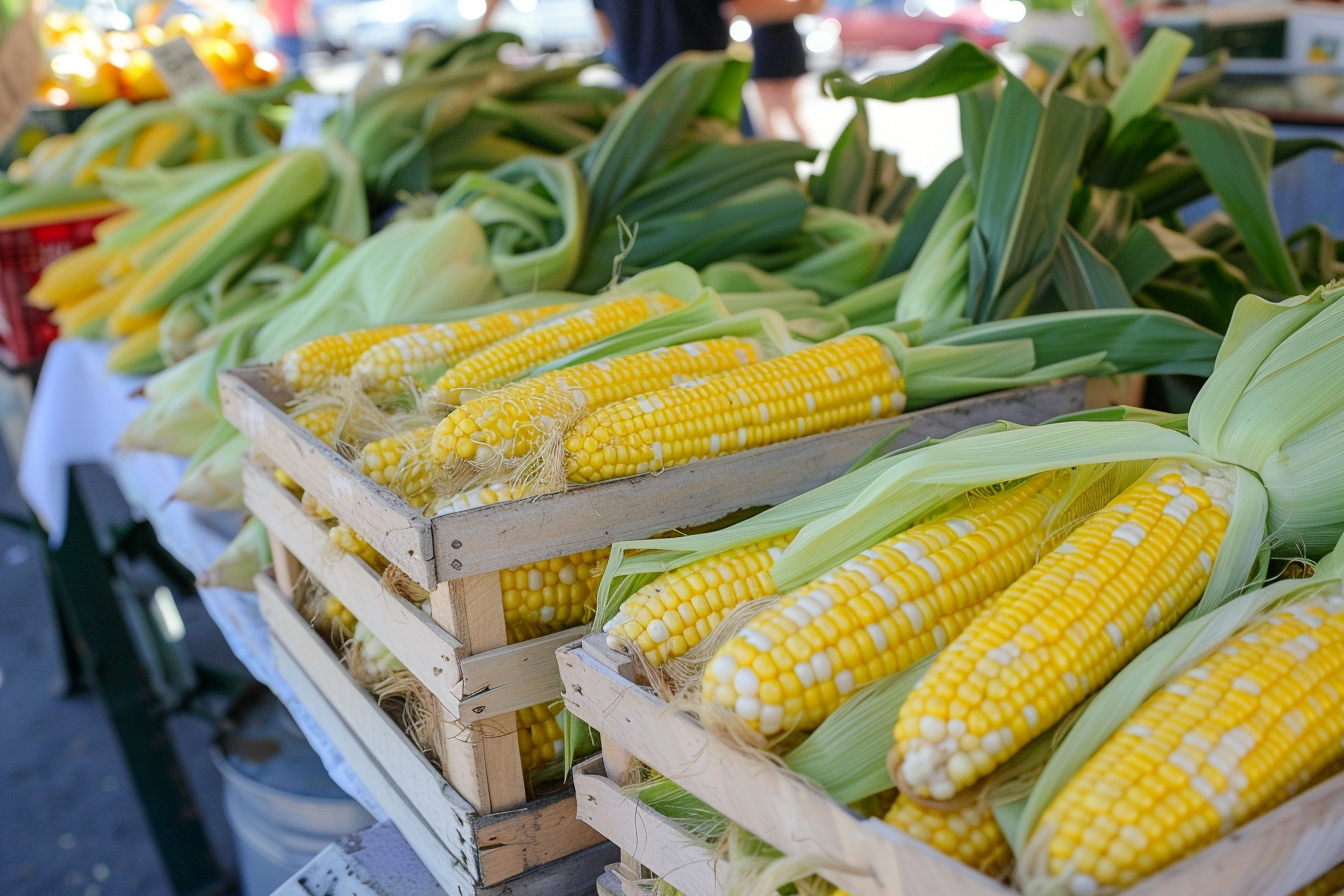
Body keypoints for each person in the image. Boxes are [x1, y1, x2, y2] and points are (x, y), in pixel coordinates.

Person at [590, 0, 822, 88]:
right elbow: (743, 6)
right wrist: (803, 7)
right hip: (703, 91)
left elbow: (606, 32)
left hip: (638, 91)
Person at [749, 2, 821, 141]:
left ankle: (808, 154)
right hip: (764, 48)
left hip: (785, 47)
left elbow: (811, 7)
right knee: (767, 116)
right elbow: (738, 10)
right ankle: (774, 158)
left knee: (790, 112)